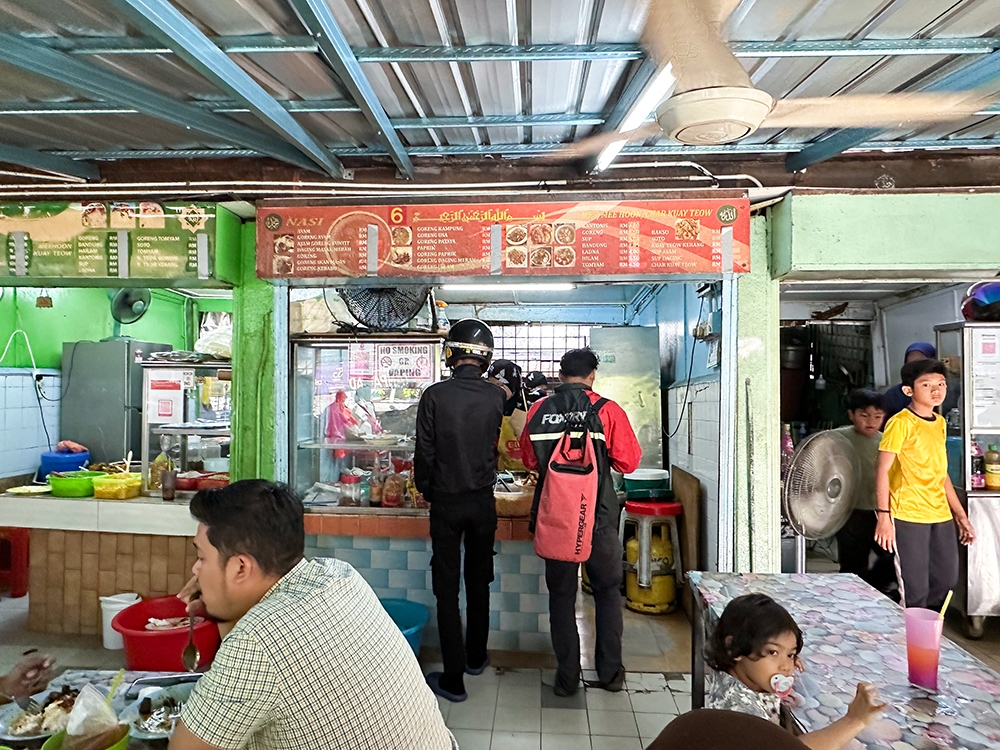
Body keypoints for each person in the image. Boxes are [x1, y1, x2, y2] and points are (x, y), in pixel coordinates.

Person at [169, 480, 454, 750]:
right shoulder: (340, 575)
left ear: (241, 568)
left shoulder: (255, 643)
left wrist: (223, 598)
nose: (196, 570)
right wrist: (222, 600)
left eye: (202, 558)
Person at [520, 348, 641, 696]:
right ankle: (610, 675)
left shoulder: (539, 410)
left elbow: (529, 459)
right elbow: (628, 463)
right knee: (605, 593)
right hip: (599, 517)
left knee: (561, 597)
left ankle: (567, 678)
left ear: (560, 375)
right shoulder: (608, 411)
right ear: (592, 376)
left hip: (557, 516)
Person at [415, 319, 505, 703]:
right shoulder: (497, 397)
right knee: (479, 580)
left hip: (447, 504)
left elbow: (425, 453)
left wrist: (425, 488)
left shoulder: (434, 395)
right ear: (485, 359)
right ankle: (476, 656)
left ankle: (453, 678)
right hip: (483, 502)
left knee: (447, 590)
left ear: (452, 353)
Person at [706, 593, 885, 750]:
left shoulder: (734, 676)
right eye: (772, 652)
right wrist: (854, 720)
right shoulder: (742, 711)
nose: (786, 667)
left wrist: (781, 656)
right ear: (733, 647)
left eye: (791, 654)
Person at [874, 359, 976, 610]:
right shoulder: (901, 423)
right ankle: (910, 637)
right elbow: (882, 470)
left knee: (946, 580)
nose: (936, 390)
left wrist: (960, 515)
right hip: (907, 513)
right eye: (926, 384)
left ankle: (921, 629)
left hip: (939, 514)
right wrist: (884, 517)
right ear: (909, 390)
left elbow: (941, 475)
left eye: (941, 383)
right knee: (914, 588)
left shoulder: (939, 424)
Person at [833, 389, 896, 595]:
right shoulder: (836, 438)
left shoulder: (887, 441)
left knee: (891, 557)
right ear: (851, 414)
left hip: (881, 512)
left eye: (877, 417)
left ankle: (875, 589)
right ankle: (848, 599)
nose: (871, 421)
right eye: (864, 415)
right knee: (852, 563)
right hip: (851, 511)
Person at [881, 342, 936, 426]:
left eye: (920, 363)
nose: (915, 368)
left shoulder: (942, 391)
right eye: (910, 363)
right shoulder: (895, 394)